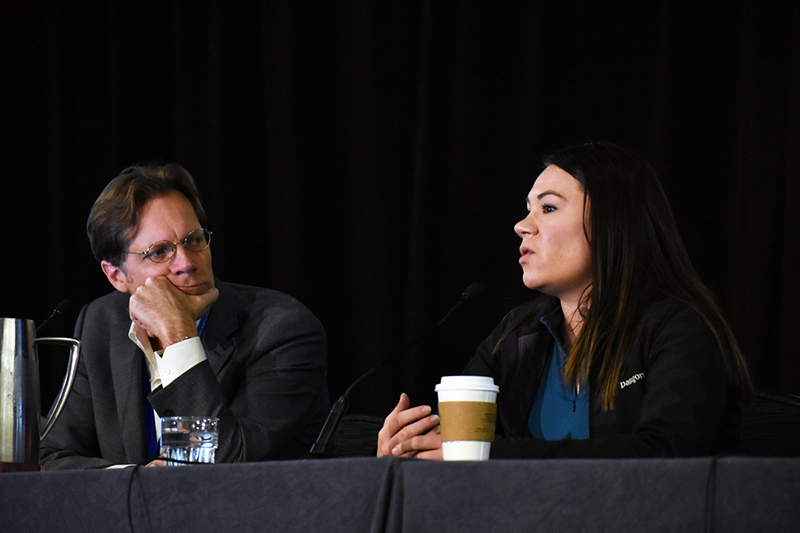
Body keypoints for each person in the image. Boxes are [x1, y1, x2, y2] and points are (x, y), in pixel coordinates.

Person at [378, 141, 753, 459]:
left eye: (549, 207)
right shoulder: (516, 336)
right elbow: (455, 444)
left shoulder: (678, 328)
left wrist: (497, 454)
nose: (522, 225)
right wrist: (406, 447)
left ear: (612, 223)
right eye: (528, 208)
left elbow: (663, 455)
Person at [40, 164, 329, 469]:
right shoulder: (102, 323)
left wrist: (178, 335)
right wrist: (133, 480)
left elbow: (227, 467)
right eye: (159, 252)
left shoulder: (282, 330)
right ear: (117, 276)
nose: (186, 263)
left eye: (194, 240)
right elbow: (49, 457)